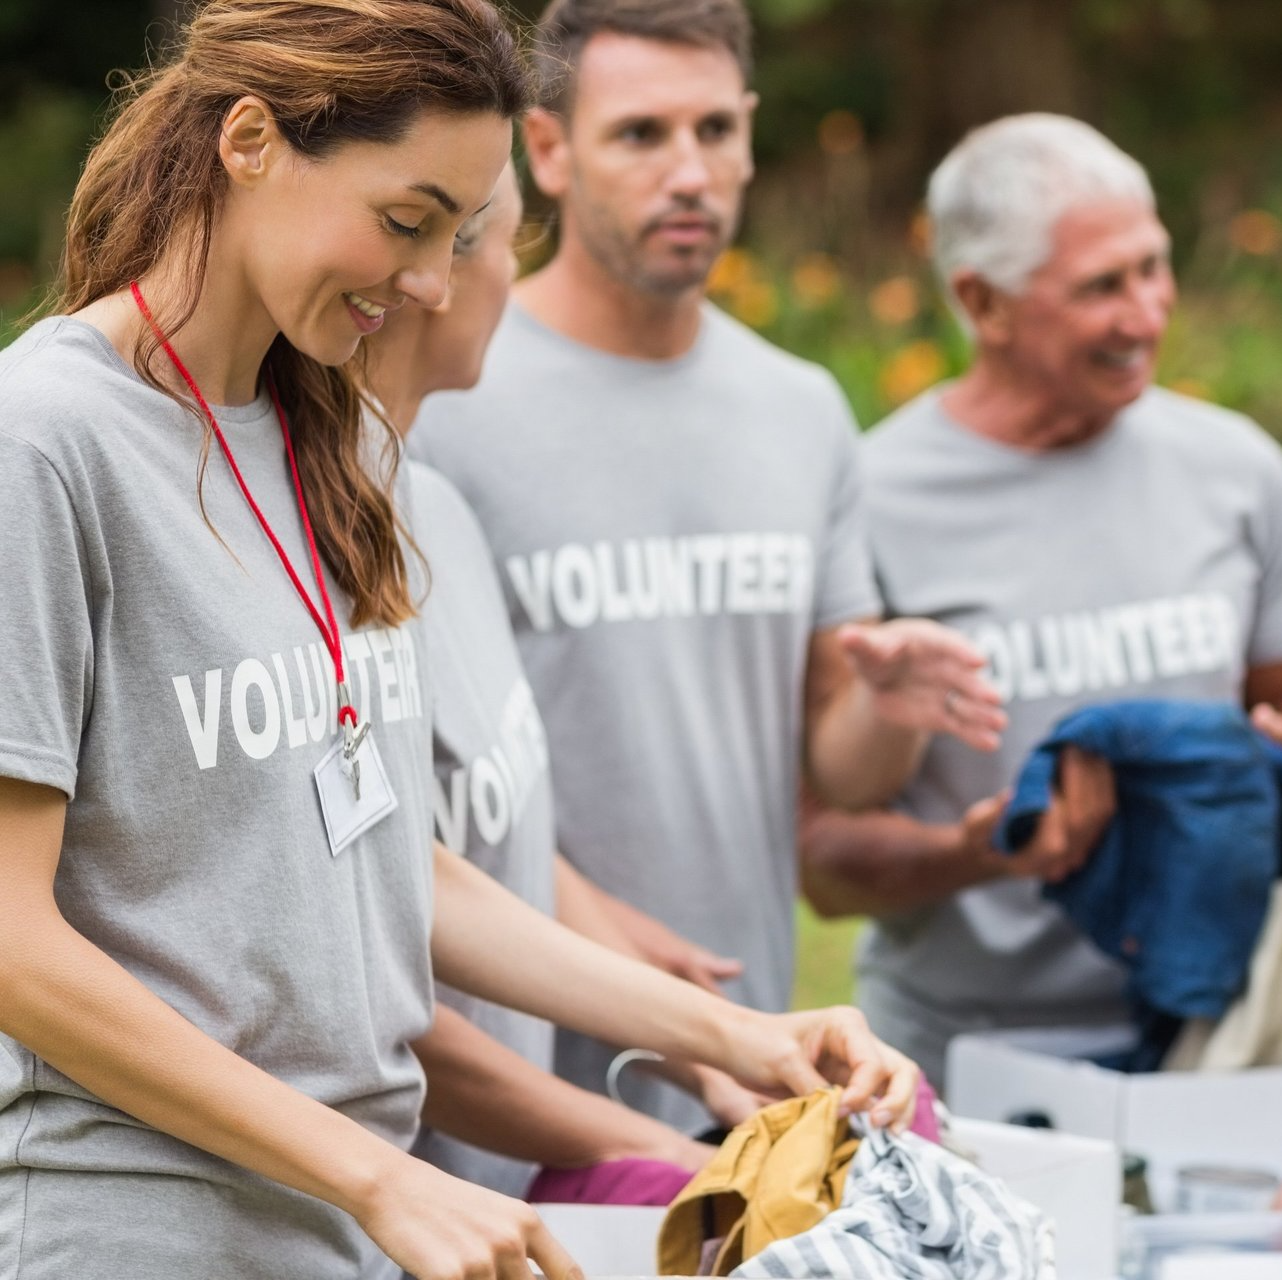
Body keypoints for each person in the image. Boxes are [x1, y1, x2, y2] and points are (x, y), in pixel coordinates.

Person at [0, 5, 921, 1275]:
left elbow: (393, 861)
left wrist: (737, 1034)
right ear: (250, 142)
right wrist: (380, 1173)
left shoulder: (326, 440)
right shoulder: (44, 443)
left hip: (340, 1231)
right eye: (406, 220)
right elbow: (12, 939)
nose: (433, 281)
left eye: (459, 232)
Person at [410, 0, 1004, 1133]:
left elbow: (842, 775)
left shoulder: (801, 408)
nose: (689, 173)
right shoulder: (446, 390)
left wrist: (886, 709)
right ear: (548, 150)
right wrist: (601, 946)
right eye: (641, 134)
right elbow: (421, 795)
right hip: (510, 1078)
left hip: (757, 1063)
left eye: (715, 131)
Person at [799, 113, 1282, 1091]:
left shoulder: (1235, 470)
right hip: (957, 1062)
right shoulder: (871, 495)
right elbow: (825, 860)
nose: (1146, 313)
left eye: (1153, 267)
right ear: (982, 301)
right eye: (1102, 286)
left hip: (1214, 1047)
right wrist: (976, 852)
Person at [366, 164, 714, 1198]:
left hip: (510, 1203)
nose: (517, 283)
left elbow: (489, 834)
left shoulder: (440, 513)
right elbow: (375, 995)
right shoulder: (310, 554)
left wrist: (709, 1046)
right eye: (515, 245)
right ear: (434, 270)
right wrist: (661, 1147)